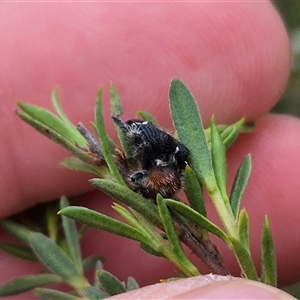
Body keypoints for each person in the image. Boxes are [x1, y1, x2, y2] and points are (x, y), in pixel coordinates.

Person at [0, 2, 297, 299]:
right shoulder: (160, 159)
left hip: (149, 141)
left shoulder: (160, 164)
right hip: (146, 137)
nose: (140, 182)